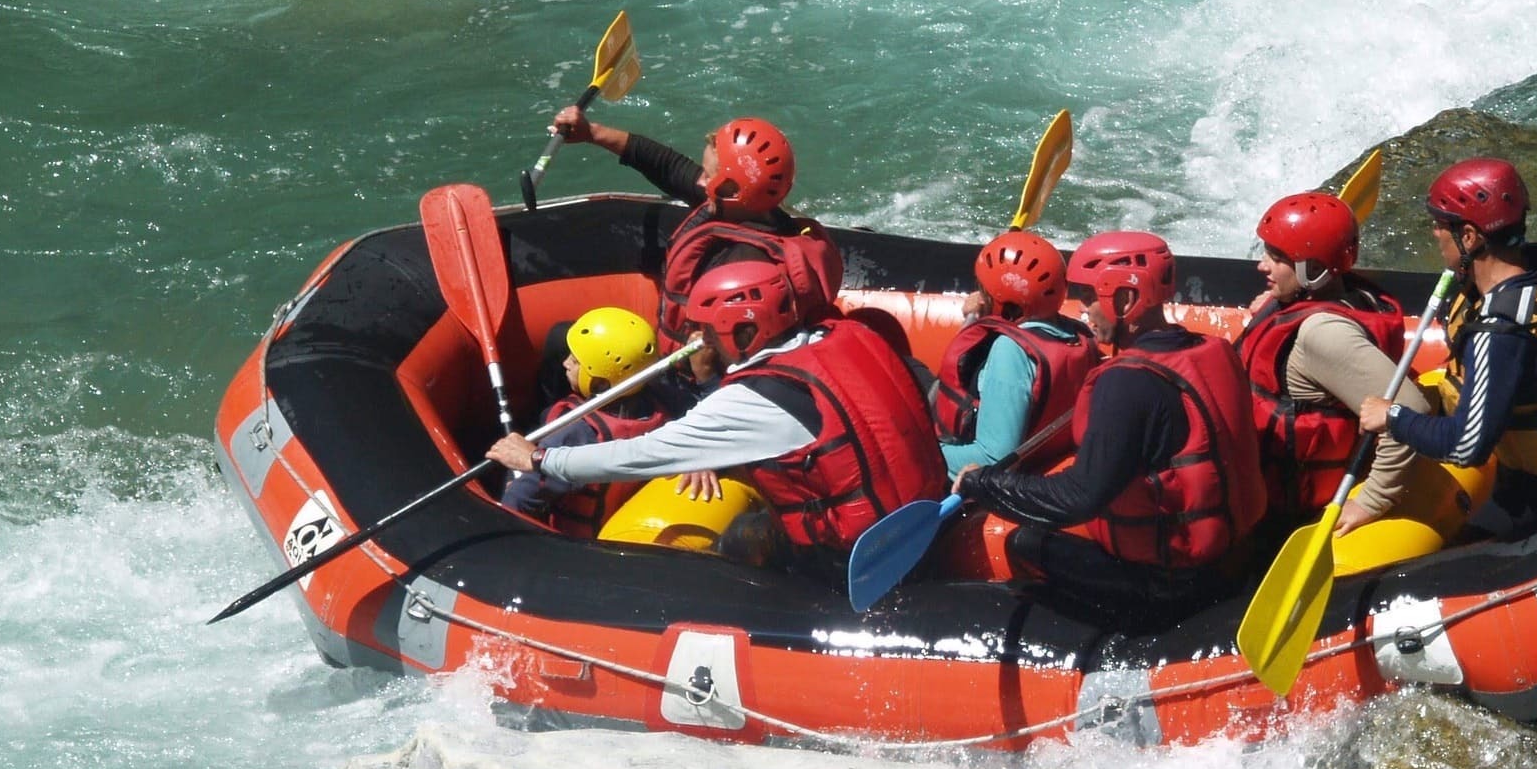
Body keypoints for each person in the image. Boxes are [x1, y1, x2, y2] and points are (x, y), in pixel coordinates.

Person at [486, 259, 945, 569]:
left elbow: (642, 455)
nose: (700, 343)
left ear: (743, 330)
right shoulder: (846, 337)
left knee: (735, 544)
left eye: (707, 331)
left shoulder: (753, 398)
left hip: (854, 553)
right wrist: (710, 451)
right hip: (920, 514)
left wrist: (540, 460)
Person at [953, 232, 1266, 615]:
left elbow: (1077, 499)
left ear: (1125, 299)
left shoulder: (1126, 382)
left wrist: (982, 483)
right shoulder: (1213, 348)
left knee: (1021, 544)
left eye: (1087, 297)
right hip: (1236, 555)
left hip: (1168, 586)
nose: (1081, 308)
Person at [1357, 158, 1537, 539]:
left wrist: (1392, 416)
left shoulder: (1499, 335)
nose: (1434, 233)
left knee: (1456, 552)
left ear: (1470, 237)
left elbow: (1466, 447)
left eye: (1441, 225)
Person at [552, 110, 842, 340]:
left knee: (561, 347)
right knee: (559, 339)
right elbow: (667, 166)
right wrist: (592, 132)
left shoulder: (742, 269)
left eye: (707, 175)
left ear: (735, 190)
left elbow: (721, 360)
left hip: (696, 386)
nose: (700, 181)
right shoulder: (749, 208)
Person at [1235, 190, 1426, 534]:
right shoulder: (1332, 295)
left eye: (1276, 258)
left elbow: (1411, 410)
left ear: (1316, 269)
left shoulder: (1323, 334)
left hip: (1292, 510)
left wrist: (1372, 499)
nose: (1261, 265)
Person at [499, 308, 681, 534]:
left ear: (601, 385)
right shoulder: (662, 403)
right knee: (558, 335)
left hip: (574, 535)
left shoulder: (576, 433)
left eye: (575, 362)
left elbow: (519, 501)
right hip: (612, 509)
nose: (565, 363)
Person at [932, 230, 1099, 474]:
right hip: (1050, 458)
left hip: (982, 476)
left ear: (1005, 302)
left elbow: (994, 457)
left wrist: (925, 454)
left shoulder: (1011, 351)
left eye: (984, 289)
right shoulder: (1079, 334)